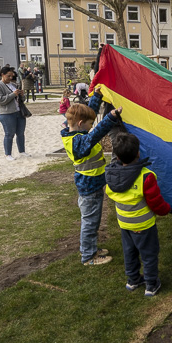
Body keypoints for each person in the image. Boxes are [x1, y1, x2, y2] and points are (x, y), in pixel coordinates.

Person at [106, 132, 172, 297]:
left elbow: (109, 192)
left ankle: (133, 280)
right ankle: (151, 285)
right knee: (149, 254)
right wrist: (166, 210)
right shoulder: (146, 177)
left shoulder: (112, 175)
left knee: (129, 252)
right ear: (138, 153)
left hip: (124, 224)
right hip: (143, 226)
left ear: (118, 157)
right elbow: (155, 202)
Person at [62, 103, 124, 266]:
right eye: (90, 124)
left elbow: (86, 112)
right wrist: (110, 118)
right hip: (90, 187)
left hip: (91, 185)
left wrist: (96, 97)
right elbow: (95, 135)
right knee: (90, 221)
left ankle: (90, 247)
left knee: (92, 220)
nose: (91, 127)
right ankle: (89, 256)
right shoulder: (80, 143)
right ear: (81, 123)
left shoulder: (74, 133)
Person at [0, 66, 29, 161]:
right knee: (9, 134)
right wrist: (13, 94)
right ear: (2, 75)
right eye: (8, 76)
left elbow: (22, 99)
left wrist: (21, 95)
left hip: (19, 111)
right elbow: (0, 100)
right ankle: (8, 154)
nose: (10, 78)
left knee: (20, 133)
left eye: (12, 76)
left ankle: (22, 151)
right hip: (6, 113)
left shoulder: (13, 85)